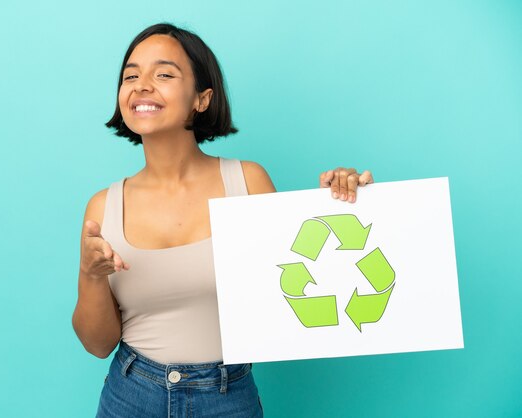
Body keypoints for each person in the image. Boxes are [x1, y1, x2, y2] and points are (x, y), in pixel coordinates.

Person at [72, 23, 374, 418]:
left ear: (202, 98)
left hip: (227, 396)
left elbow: (301, 283)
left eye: (163, 74)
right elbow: (97, 344)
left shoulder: (247, 182)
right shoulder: (103, 207)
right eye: (131, 75)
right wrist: (92, 274)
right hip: (130, 395)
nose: (142, 85)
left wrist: (339, 203)